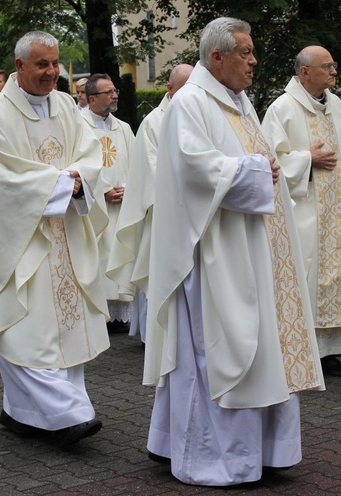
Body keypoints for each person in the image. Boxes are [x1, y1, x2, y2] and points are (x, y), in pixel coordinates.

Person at [144, 18, 324, 486]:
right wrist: (256, 169)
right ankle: (217, 459)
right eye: (244, 53)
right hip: (214, 255)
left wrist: (263, 168)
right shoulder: (190, 104)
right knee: (217, 353)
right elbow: (195, 171)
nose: (254, 61)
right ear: (217, 57)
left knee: (262, 346)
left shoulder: (239, 103)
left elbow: (255, 164)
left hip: (254, 250)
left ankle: (266, 451)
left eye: (252, 52)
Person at [0, 31, 109, 447]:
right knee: (23, 324)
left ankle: (22, 412)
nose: (51, 72)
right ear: (20, 66)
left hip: (66, 234)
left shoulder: (66, 104)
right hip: (21, 239)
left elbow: (90, 151)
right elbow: (1, 175)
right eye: (42, 64)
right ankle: (68, 413)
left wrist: (80, 177)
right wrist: (64, 181)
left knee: (67, 326)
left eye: (55, 63)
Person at [262, 46, 341, 377]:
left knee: (338, 278)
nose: (334, 71)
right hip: (304, 213)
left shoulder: (336, 106)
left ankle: (331, 352)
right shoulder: (282, 110)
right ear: (305, 72)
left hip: (338, 214)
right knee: (307, 278)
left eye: (334, 65)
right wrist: (307, 159)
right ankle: (302, 350)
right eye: (327, 66)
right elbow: (268, 163)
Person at [106, 64, 193, 343]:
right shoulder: (155, 122)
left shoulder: (198, 116)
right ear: (170, 89)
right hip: (164, 213)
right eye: (185, 87)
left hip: (196, 212)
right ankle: (155, 336)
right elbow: (153, 171)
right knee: (158, 272)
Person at [81, 73, 135, 331]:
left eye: (115, 91)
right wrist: (101, 192)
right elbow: (76, 164)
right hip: (91, 206)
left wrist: (128, 189)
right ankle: (95, 313)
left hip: (122, 204)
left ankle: (119, 315)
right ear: (92, 98)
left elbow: (136, 165)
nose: (115, 96)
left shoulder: (123, 128)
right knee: (96, 256)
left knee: (118, 254)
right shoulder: (76, 124)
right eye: (109, 92)